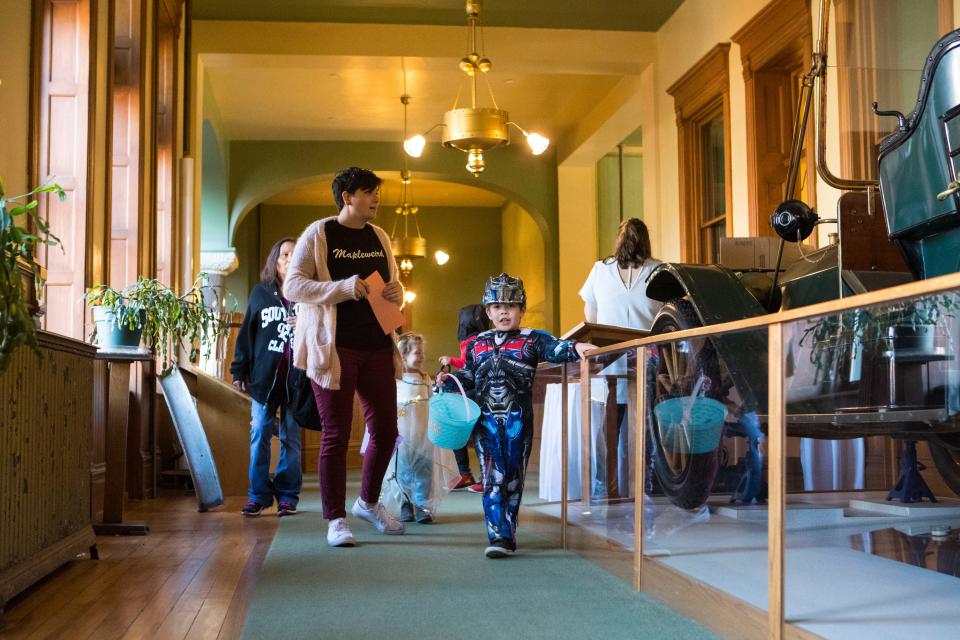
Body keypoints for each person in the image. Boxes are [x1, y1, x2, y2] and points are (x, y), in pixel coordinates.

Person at [283, 167, 406, 547]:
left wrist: (396, 292)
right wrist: (342, 288)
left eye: (376, 193)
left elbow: (393, 283)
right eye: (369, 193)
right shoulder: (319, 234)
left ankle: (368, 503)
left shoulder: (380, 236)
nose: (376, 199)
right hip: (333, 348)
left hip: (378, 345)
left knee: (387, 432)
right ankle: (335, 519)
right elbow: (293, 285)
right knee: (336, 435)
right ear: (347, 196)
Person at [445, 273, 595, 558]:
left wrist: (576, 347)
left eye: (511, 306)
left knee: (513, 477)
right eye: (498, 306)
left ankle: (508, 529)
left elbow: (557, 348)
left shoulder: (533, 339)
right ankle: (498, 535)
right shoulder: (477, 344)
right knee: (492, 478)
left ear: (521, 310)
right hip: (485, 422)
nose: (504, 311)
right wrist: (449, 381)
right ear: (488, 311)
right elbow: (468, 376)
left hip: (518, 422)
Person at [579, 217, 663, 498]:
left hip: (627, 357)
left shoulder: (653, 270)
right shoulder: (654, 270)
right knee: (634, 423)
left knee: (622, 423)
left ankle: (613, 483)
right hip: (629, 359)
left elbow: (590, 315)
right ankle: (638, 483)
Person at [231, 237, 302, 518]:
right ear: (275, 259)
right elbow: (247, 334)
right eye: (284, 254)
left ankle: (287, 496)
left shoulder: (308, 295)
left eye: (295, 255)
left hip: (298, 381)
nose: (288, 259)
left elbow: (324, 331)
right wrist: (239, 370)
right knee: (259, 432)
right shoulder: (260, 293)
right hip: (263, 380)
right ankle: (258, 495)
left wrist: (306, 322)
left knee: (291, 440)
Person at [383, 332, 458, 524]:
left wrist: (438, 387)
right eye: (418, 353)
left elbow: (432, 401)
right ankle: (405, 503)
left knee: (424, 470)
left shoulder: (425, 378)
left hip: (423, 434)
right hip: (403, 435)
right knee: (402, 470)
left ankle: (422, 505)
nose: (422, 357)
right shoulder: (396, 379)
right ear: (403, 355)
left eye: (422, 352)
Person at [437, 304, 490, 493]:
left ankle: (480, 477)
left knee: (474, 434)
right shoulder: (477, 340)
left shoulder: (475, 341)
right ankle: (468, 475)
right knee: (466, 434)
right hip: (473, 390)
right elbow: (468, 365)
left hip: (476, 392)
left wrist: (450, 363)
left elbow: (469, 365)